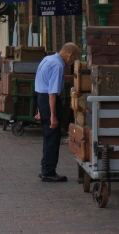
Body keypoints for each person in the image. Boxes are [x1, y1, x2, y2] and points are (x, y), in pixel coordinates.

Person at [35, 43, 81, 183]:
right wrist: (53, 115)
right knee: (53, 138)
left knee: (47, 137)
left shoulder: (47, 59)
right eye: (74, 59)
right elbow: (52, 93)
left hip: (41, 99)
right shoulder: (58, 66)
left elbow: (40, 85)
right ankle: (49, 171)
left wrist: (39, 109)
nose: (71, 63)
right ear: (70, 55)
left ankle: (45, 168)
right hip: (50, 102)